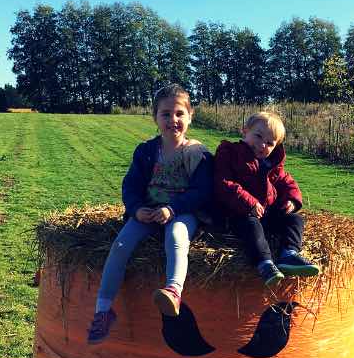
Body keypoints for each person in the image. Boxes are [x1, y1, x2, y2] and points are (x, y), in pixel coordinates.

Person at [87, 84, 212, 343]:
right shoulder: (145, 151)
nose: (173, 120)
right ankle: (103, 311)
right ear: (155, 117)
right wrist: (136, 209)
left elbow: (202, 192)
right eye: (165, 114)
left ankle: (174, 290)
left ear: (190, 116)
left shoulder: (197, 154)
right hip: (147, 211)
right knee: (120, 245)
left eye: (179, 113)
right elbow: (130, 185)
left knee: (177, 238)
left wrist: (173, 208)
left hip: (181, 212)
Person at [213, 110, 319, 285]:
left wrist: (292, 200)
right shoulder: (230, 153)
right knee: (251, 226)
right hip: (237, 213)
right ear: (245, 130)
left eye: (269, 143)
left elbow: (286, 181)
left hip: (265, 213)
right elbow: (224, 183)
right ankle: (265, 263)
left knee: (295, 220)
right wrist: (249, 203)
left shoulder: (271, 164)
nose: (262, 145)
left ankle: (289, 253)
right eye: (258, 136)